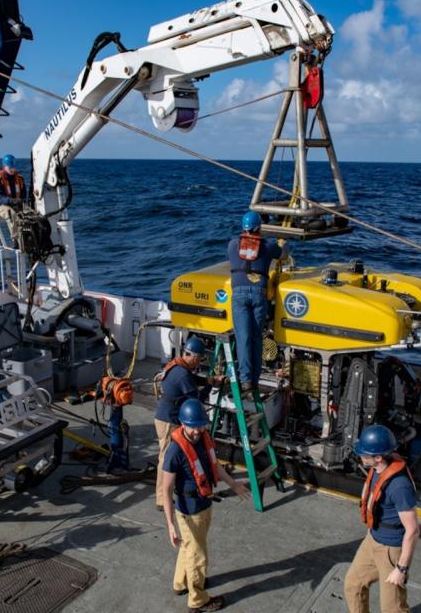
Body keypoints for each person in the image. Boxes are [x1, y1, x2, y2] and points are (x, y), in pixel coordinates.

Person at [162, 399, 250, 612]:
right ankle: (197, 600)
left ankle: (181, 583)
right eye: (193, 426)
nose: (198, 430)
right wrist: (170, 525)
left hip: (204, 504)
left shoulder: (203, 439)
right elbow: (166, 490)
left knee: (190, 547)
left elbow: (214, 466)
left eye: (201, 425)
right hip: (190, 512)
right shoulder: (175, 451)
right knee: (198, 555)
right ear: (183, 424)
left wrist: (234, 484)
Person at [344, 425, 420, 613]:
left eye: (364, 453)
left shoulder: (399, 487)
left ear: (378, 457)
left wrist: (401, 569)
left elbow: (413, 530)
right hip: (373, 539)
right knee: (353, 585)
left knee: (392, 608)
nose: (360, 456)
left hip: (391, 550)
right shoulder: (378, 469)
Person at [155, 336, 224, 510]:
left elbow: (192, 380)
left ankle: (167, 494)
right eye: (199, 360)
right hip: (169, 420)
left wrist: (207, 381)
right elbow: (196, 401)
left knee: (170, 458)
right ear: (193, 357)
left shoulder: (177, 366)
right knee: (166, 460)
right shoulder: (183, 375)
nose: (199, 363)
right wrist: (212, 385)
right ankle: (162, 500)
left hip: (166, 416)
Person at [227, 211, 283, 395]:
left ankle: (245, 381)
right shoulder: (267, 246)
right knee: (256, 338)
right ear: (259, 227)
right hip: (259, 294)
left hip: (239, 295)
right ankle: (256, 379)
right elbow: (281, 252)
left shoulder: (233, 245)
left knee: (243, 338)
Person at [0, 154, 29, 237]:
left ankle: (28, 238)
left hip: (17, 205)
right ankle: (16, 239)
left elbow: (23, 195)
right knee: (11, 214)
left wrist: (21, 202)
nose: (13, 169)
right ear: (4, 167)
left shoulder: (20, 179)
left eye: (14, 167)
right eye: (10, 167)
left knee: (29, 214)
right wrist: (11, 200)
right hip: (1, 206)